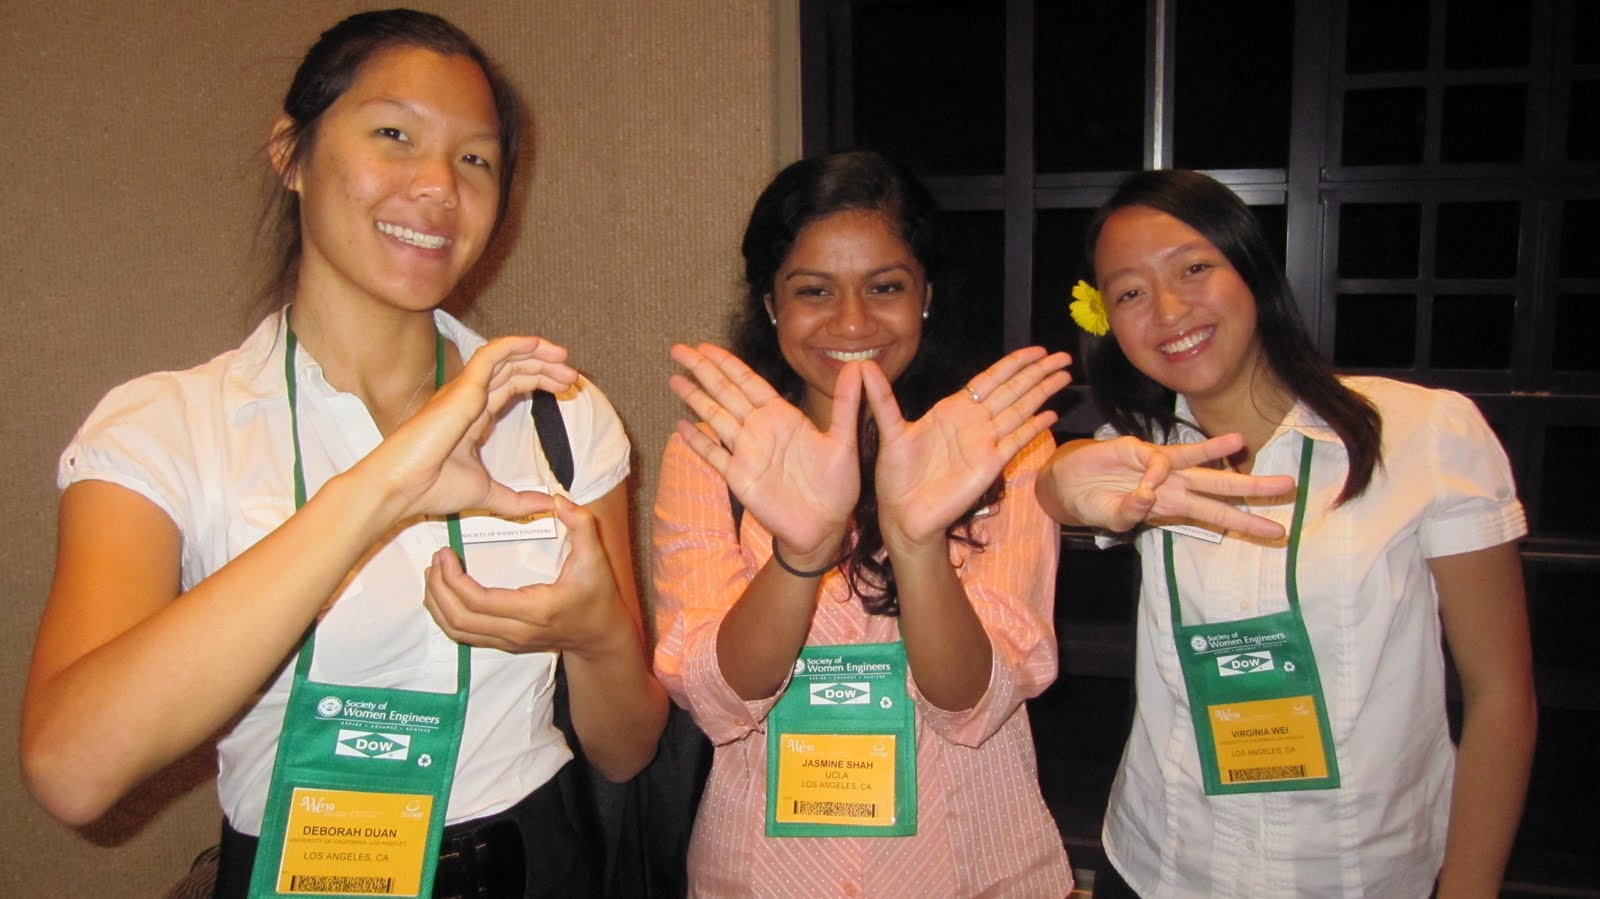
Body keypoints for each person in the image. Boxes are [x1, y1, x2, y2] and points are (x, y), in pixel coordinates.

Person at [19, 10, 666, 897]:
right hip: (300, 871)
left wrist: (596, 638)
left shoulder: (556, 410)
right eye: (394, 135)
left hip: (537, 861)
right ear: (291, 152)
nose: (438, 185)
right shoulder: (165, 426)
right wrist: (383, 488)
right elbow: (71, 767)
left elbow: (627, 749)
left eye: (475, 158)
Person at [1035, 169, 1536, 898]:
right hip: (1161, 867)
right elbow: (1063, 482)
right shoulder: (1143, 456)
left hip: (1361, 876)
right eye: (1131, 292)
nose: (1169, 310)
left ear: (1250, 272)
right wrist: (1061, 480)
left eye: (1195, 268)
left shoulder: (1425, 434)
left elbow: (1501, 695)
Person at [652, 149, 1076, 897]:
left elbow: (974, 700)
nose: (852, 320)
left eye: (885, 286)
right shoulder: (709, 453)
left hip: (972, 867)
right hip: (762, 874)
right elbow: (717, 696)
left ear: (926, 296)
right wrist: (799, 555)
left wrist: (917, 544)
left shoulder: (1003, 450)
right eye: (814, 290)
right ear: (772, 303)